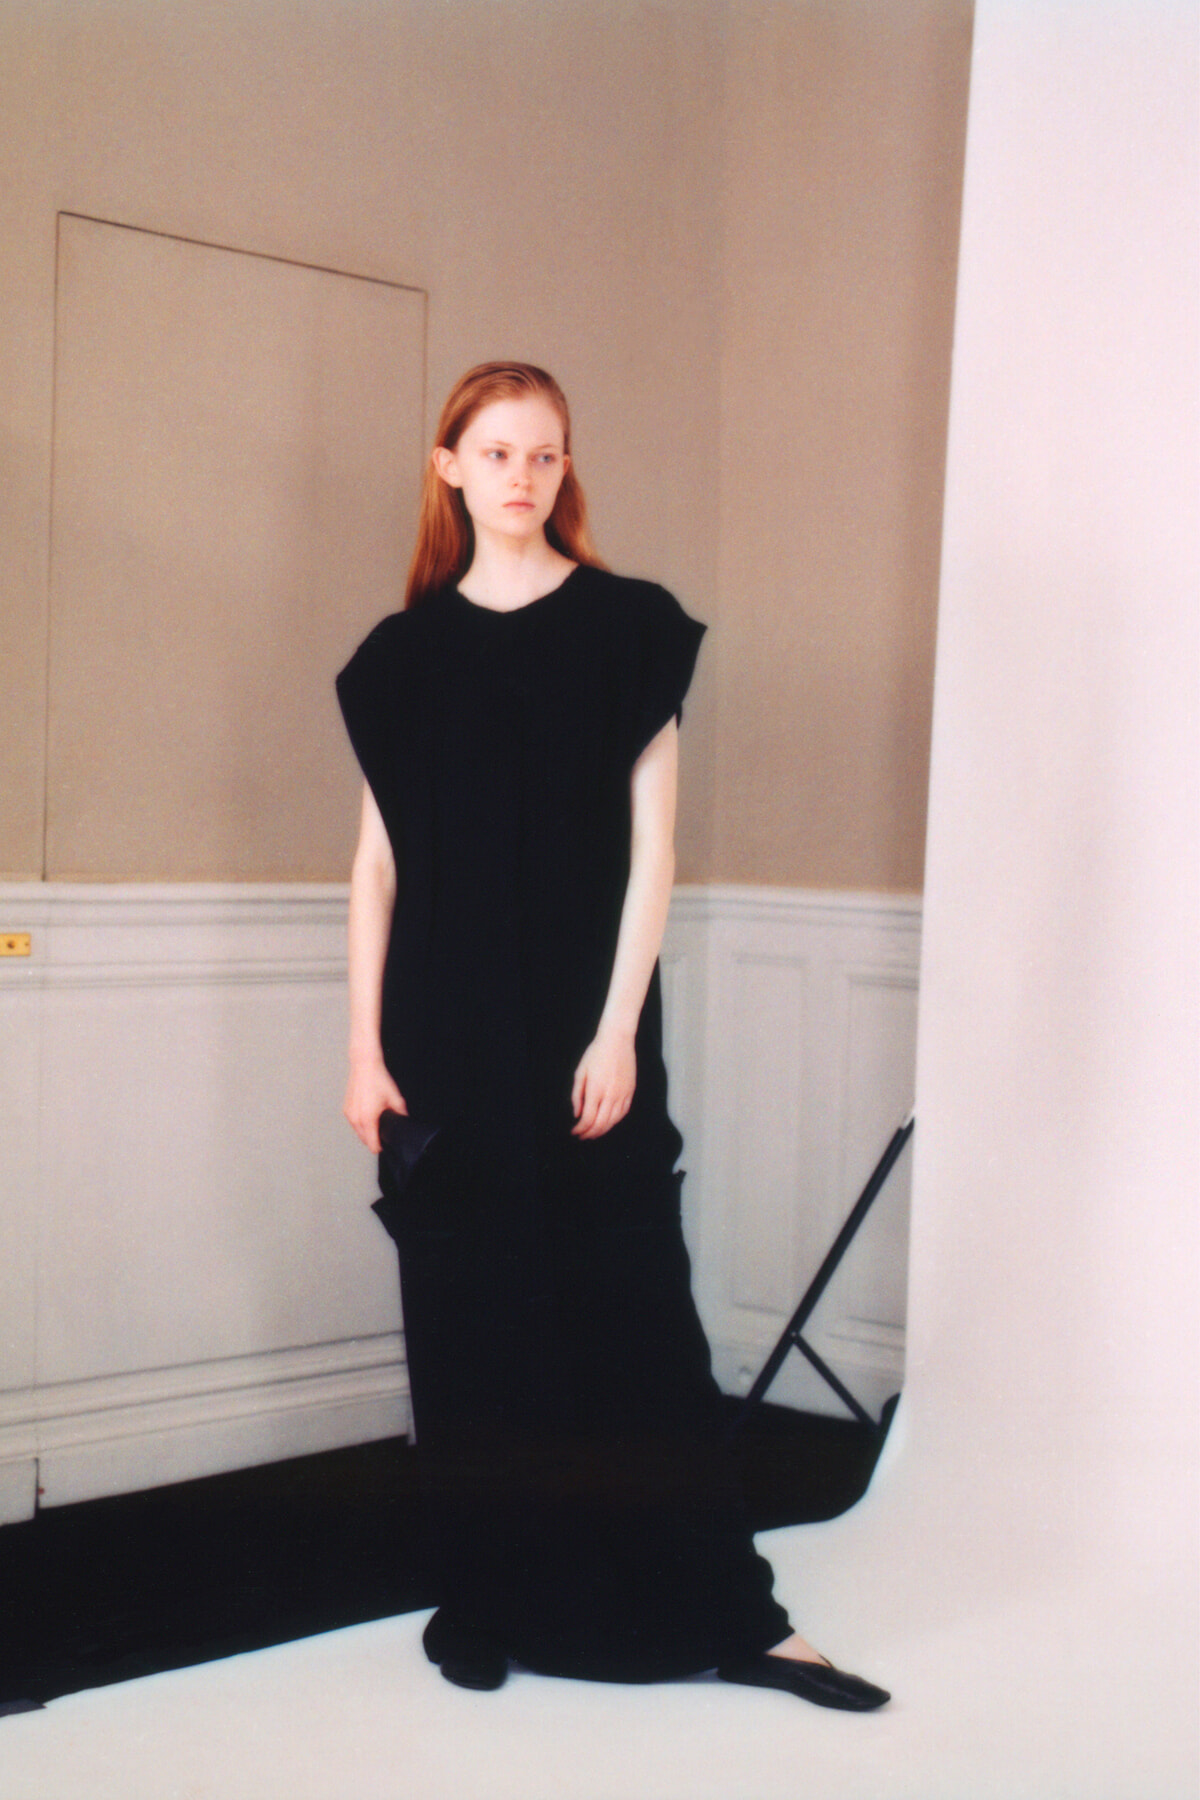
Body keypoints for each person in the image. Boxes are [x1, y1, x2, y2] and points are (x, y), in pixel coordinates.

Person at [335, 361, 888, 1710]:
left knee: (633, 1317)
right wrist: (363, 1052)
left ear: (565, 469)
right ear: (449, 467)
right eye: (499, 452)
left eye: (548, 453)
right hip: (441, 1035)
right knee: (470, 1326)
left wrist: (620, 1029)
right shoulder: (400, 660)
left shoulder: (629, 629)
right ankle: (484, 1604)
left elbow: (656, 852)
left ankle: (736, 1620)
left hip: (589, 1028)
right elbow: (375, 869)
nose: (524, 476)